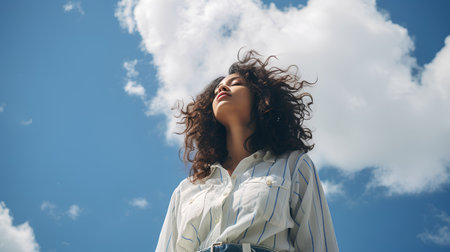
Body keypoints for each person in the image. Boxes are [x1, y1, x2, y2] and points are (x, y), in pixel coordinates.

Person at [156, 50, 338, 252]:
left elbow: (320, 245)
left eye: (236, 83)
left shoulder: (293, 165)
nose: (222, 88)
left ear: (261, 98)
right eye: (217, 90)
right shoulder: (186, 189)